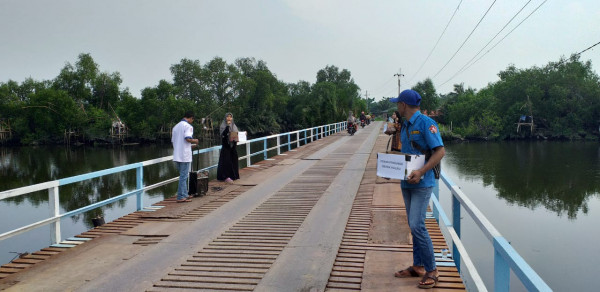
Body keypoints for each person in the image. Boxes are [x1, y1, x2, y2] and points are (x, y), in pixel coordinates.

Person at [391, 89, 445, 289]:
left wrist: (421, 172)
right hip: (406, 182)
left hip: (422, 183)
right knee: (413, 225)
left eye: (398, 103)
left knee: (417, 225)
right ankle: (418, 266)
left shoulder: (426, 123)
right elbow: (407, 153)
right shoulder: (405, 125)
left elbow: (440, 151)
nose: (396, 106)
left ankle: (432, 270)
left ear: (403, 105)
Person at [172, 111, 199, 203]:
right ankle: (180, 196)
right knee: (183, 176)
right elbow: (187, 138)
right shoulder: (188, 126)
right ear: (191, 118)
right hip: (184, 156)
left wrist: (190, 146)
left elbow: (176, 142)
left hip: (177, 155)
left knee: (182, 175)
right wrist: (195, 140)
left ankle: (185, 194)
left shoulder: (175, 127)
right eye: (192, 119)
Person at [217, 112, 240, 182]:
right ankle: (225, 176)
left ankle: (234, 175)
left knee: (234, 160)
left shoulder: (234, 126)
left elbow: (237, 134)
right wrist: (227, 126)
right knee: (226, 162)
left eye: (230, 117)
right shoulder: (223, 125)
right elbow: (223, 135)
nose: (229, 118)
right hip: (226, 147)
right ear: (225, 118)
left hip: (233, 147)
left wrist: (243, 134)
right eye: (228, 117)